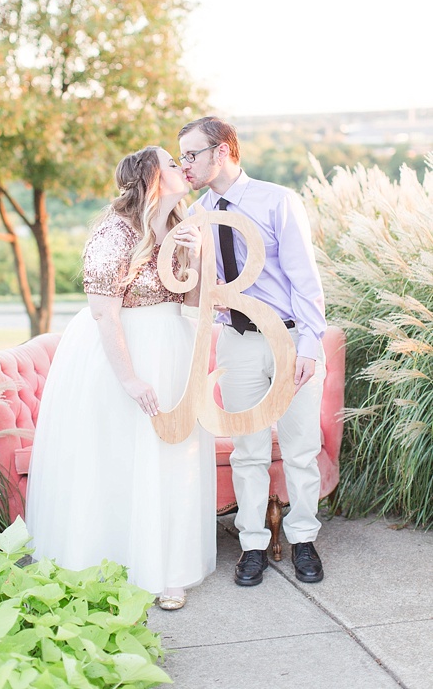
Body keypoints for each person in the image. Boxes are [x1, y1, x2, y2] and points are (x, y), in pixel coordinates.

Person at [26, 146, 216, 610]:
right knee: (117, 458)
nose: (182, 167)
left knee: (171, 458)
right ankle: (110, 563)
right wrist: (130, 379)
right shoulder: (114, 233)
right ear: (152, 177)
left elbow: (193, 302)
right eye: (173, 162)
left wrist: (199, 260)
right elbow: (103, 314)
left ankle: (167, 568)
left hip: (171, 350)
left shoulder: (179, 227)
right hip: (118, 355)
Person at [178, 116, 327, 586]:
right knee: (248, 449)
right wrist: (184, 254)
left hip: (290, 343)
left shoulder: (278, 200)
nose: (185, 164)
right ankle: (252, 546)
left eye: (191, 154)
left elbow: (306, 281)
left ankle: (304, 540)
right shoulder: (196, 213)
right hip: (236, 343)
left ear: (221, 152)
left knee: (302, 448)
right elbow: (198, 290)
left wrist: (309, 344)